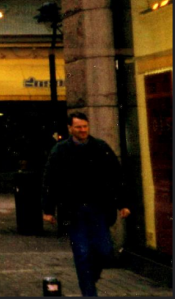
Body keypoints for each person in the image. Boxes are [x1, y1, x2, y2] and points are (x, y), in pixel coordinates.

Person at [42, 112, 131, 297]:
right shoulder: (60, 151)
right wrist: (48, 209)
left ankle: (91, 277)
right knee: (82, 254)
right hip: (74, 212)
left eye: (85, 126)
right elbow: (50, 180)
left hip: (99, 210)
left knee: (105, 251)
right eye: (78, 127)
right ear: (70, 128)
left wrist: (123, 203)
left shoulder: (101, 147)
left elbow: (116, 176)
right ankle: (89, 293)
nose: (83, 130)